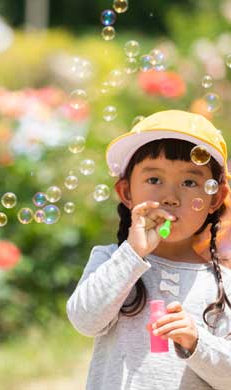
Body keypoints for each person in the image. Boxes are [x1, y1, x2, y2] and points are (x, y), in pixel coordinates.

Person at [67, 110, 231, 389]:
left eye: (190, 182)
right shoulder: (112, 261)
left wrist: (197, 342)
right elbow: (85, 320)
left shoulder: (223, 285)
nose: (170, 196)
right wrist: (132, 252)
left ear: (215, 199)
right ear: (126, 193)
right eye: (154, 180)